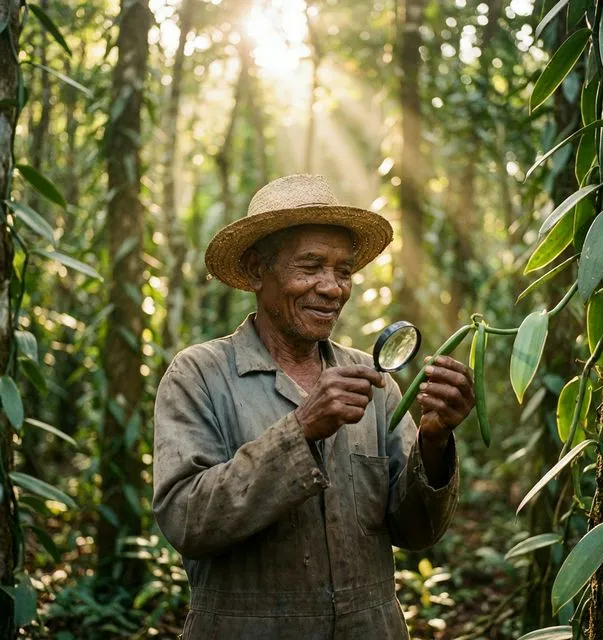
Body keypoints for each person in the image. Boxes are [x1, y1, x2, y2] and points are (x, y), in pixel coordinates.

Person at [153, 174, 475, 639]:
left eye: (343, 271)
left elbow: (417, 532)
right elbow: (186, 519)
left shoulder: (374, 379)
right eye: (310, 266)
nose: (332, 288)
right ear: (257, 270)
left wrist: (435, 439)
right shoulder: (199, 375)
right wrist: (300, 430)